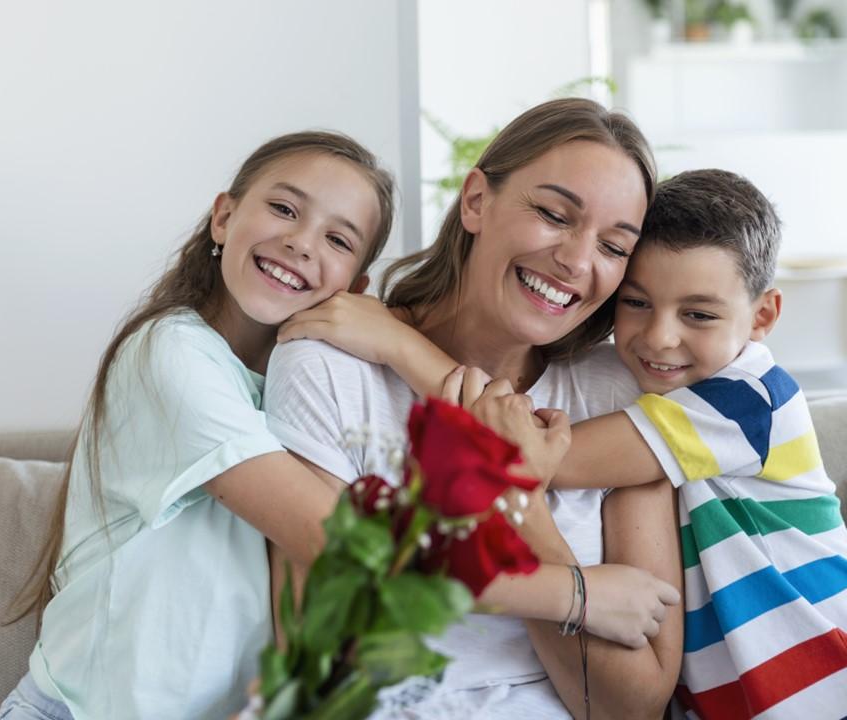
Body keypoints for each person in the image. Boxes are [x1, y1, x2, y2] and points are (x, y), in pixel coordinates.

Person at [264, 97, 685, 719]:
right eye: (552, 213)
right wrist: (574, 595)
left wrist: (520, 499)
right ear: (476, 202)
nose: (575, 261)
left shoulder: (615, 396)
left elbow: (631, 708)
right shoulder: (331, 366)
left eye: (614, 247)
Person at [0, 131, 398, 719]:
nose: (300, 243)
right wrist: (405, 349)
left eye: (337, 239)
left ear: (356, 289)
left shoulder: (308, 392)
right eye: (284, 209)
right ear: (224, 217)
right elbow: (337, 545)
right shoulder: (168, 352)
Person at [546, 169, 847, 719]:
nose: (659, 336)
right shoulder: (667, 404)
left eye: (699, 314)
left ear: (763, 316)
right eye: (637, 303)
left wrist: (403, 348)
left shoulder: (751, 401)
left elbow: (547, 459)